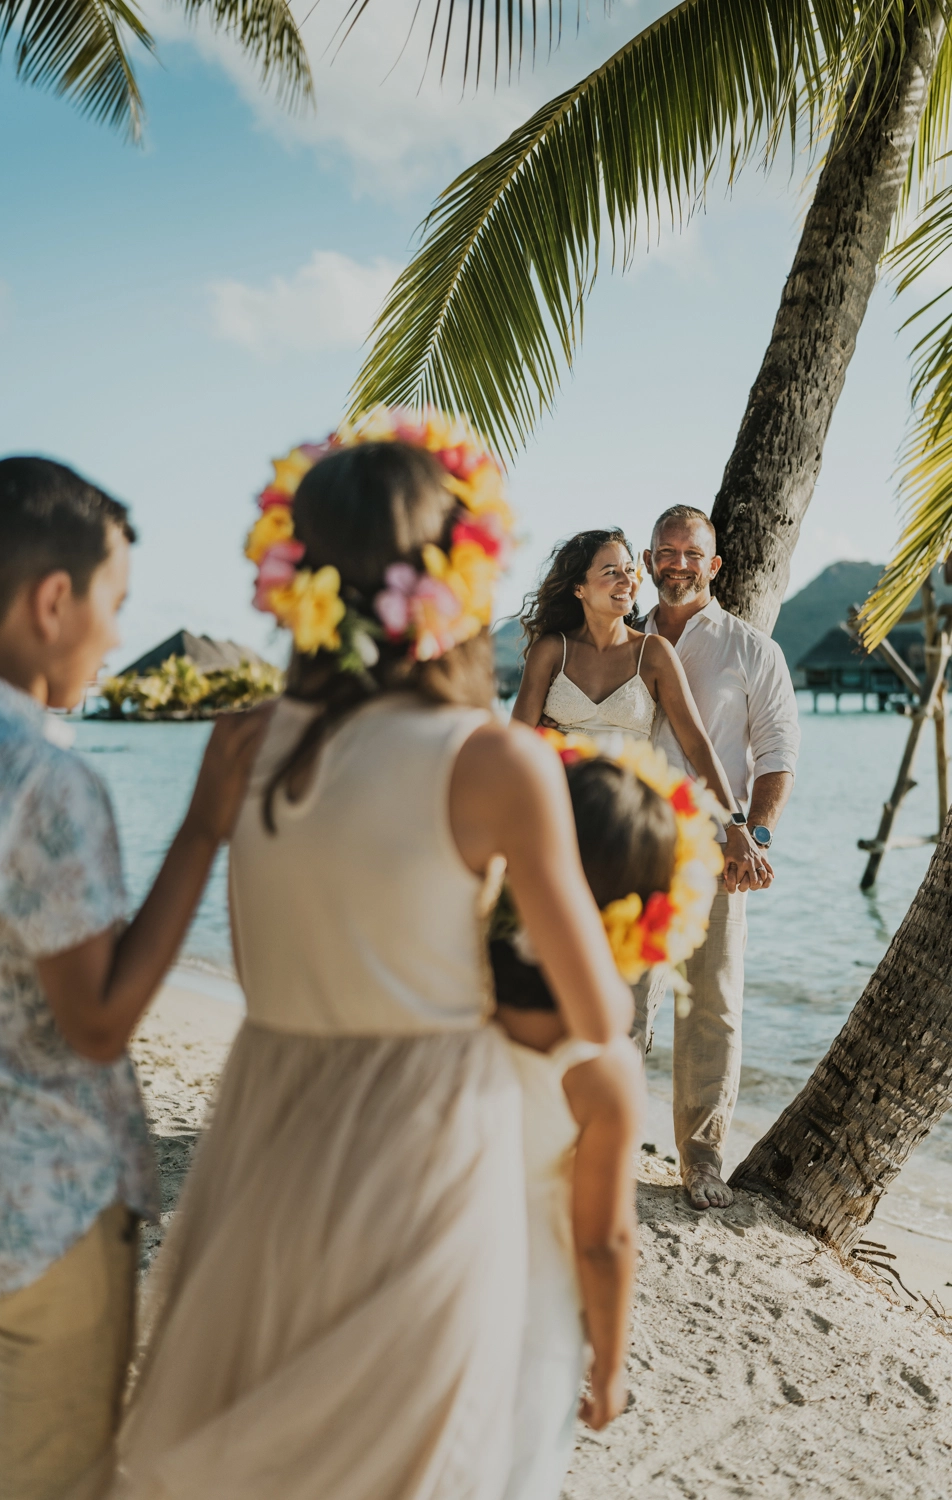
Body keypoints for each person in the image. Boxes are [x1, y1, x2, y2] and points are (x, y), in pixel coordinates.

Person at [88, 435, 631, 1500]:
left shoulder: (246, 743)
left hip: (267, 1120)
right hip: (420, 1141)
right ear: (456, 575)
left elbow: (254, 967)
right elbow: (597, 1010)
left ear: (298, 579)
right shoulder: (492, 761)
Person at [0, 457, 267, 1500]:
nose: (113, 634)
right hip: (52, 1212)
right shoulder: (45, 773)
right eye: (113, 604)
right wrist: (205, 825)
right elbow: (94, 1022)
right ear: (53, 601)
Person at [490, 753, 679, 1500]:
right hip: (526, 1307)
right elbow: (603, 1241)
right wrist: (607, 1367)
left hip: (416, 1267)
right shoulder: (601, 1067)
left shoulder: (452, 988)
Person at [637, 504, 800, 1211]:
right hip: (624, 845)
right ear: (647, 563)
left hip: (715, 846)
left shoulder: (749, 649)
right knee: (621, 999)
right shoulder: (617, 639)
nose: (678, 564)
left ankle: (701, 1159)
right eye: (665, 553)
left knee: (712, 1006)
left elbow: (777, 753)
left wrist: (754, 838)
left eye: (691, 553)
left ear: (715, 566)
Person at [511, 528, 751, 842]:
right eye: (610, 572)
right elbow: (515, 742)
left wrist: (736, 827)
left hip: (630, 822)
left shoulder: (653, 652)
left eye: (628, 570)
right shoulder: (552, 651)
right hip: (556, 814)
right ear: (578, 588)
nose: (626, 581)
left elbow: (697, 745)